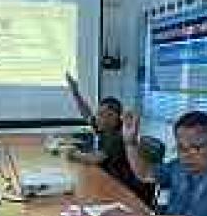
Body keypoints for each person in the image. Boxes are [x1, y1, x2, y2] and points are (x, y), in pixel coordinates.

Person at [63, 73, 151, 201]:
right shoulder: (105, 128)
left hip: (125, 188)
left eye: (101, 115)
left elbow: (95, 159)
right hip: (111, 179)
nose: (96, 118)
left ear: (113, 116)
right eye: (98, 114)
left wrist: (73, 153)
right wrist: (75, 93)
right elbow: (86, 114)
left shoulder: (118, 135)